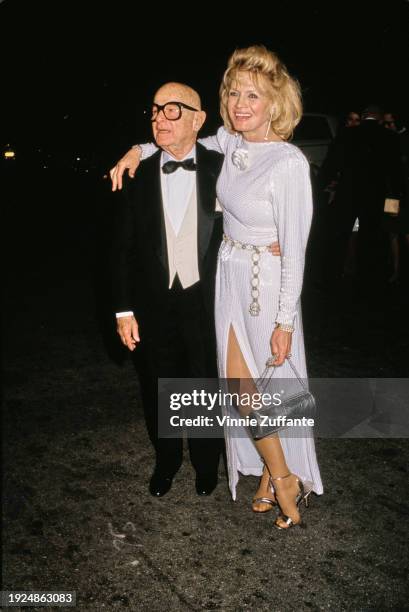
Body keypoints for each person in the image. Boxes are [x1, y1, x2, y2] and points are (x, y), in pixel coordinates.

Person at [111, 45, 323, 529]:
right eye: (233, 93)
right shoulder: (231, 143)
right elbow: (178, 141)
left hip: (265, 286)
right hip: (227, 279)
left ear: (276, 102)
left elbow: (296, 249)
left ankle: (284, 476)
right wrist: (137, 149)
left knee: (261, 389)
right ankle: (271, 475)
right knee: (247, 388)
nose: (240, 103)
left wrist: (285, 320)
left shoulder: (288, 163)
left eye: (253, 95)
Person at [111, 82, 226, 498]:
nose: (159, 117)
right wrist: (123, 310)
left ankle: (205, 463)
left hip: (207, 300)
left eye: (172, 110)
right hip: (152, 303)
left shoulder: (222, 165)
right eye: (156, 109)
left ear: (198, 120)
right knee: (159, 385)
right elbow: (120, 247)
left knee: (204, 382)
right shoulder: (136, 172)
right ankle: (167, 461)